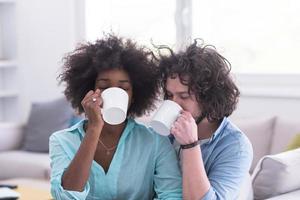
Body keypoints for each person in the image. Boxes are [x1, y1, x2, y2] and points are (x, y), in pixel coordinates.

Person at [50, 35, 182, 200]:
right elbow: (66, 196)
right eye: (104, 86)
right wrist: (94, 128)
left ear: (134, 96)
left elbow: (172, 196)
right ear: (88, 92)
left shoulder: (154, 141)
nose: (114, 93)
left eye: (124, 88)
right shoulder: (62, 141)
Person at [157, 39, 253, 200]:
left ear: (208, 97)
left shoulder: (236, 147)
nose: (173, 103)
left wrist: (190, 145)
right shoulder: (165, 133)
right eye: (169, 95)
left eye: (184, 96)